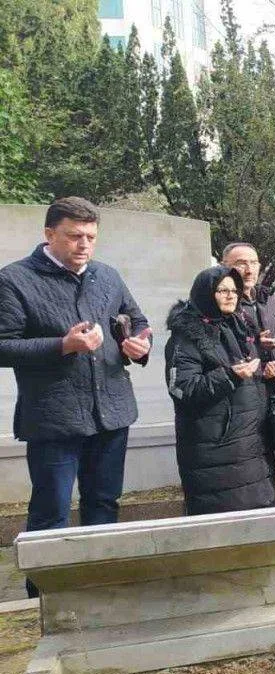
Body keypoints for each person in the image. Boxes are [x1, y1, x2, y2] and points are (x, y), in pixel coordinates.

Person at [0, 197, 151, 596]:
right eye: (74, 236)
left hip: (111, 413)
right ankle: (43, 597)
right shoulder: (14, 279)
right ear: (49, 234)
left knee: (104, 504)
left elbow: (138, 320)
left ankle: (99, 589)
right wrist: (62, 345)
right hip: (55, 418)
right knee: (51, 512)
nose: (84, 245)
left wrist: (139, 344)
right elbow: (3, 346)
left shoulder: (107, 275)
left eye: (91, 237)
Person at [165, 266, 275, 515]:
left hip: (251, 442)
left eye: (234, 291)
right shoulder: (187, 337)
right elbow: (183, 388)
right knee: (222, 516)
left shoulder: (239, 326)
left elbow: (248, 377)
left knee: (257, 514)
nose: (230, 296)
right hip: (215, 447)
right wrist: (230, 375)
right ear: (205, 293)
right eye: (222, 290)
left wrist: (267, 372)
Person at [222, 242, 275, 485]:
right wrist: (255, 349)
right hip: (244, 400)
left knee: (271, 463)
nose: (249, 269)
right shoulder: (224, 303)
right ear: (225, 267)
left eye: (253, 263)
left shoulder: (267, 297)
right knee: (249, 468)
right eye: (241, 263)